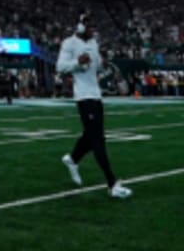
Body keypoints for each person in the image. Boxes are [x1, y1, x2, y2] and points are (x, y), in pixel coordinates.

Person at [56, 15, 130, 198]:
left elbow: (96, 68)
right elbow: (60, 67)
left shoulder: (94, 43)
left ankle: (73, 159)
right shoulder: (69, 43)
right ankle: (112, 184)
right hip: (83, 96)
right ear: (80, 26)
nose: (93, 30)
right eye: (90, 27)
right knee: (98, 140)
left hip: (95, 95)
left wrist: (103, 65)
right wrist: (76, 63)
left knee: (92, 136)